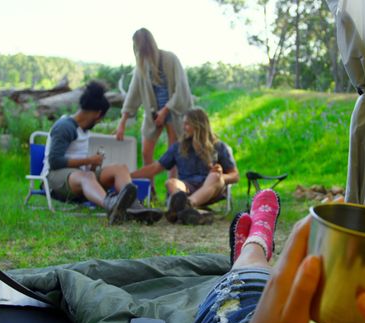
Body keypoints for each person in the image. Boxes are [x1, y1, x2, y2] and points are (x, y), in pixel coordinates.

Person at [188, 189, 365, 323]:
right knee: (269, 283)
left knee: (245, 283)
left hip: (243, 322)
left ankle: (254, 243)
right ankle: (255, 245)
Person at [42, 81, 163, 225]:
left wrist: (93, 164)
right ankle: (111, 206)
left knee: (120, 168)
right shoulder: (65, 127)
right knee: (87, 176)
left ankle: (134, 207)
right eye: (102, 119)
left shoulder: (84, 130)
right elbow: (55, 161)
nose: (100, 122)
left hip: (80, 178)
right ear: (98, 114)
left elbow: (81, 164)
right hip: (54, 180)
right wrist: (89, 161)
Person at [131, 108, 239, 225]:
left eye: (187, 124)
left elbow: (235, 175)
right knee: (171, 182)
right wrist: (129, 176)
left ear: (198, 125)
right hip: (188, 186)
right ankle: (189, 213)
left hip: (211, 188)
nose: (183, 127)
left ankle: (186, 205)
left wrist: (221, 176)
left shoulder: (219, 146)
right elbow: (156, 167)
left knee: (214, 176)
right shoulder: (179, 147)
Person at [115, 27, 193, 184]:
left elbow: (182, 88)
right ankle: (150, 190)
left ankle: (173, 191)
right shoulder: (141, 66)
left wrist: (165, 110)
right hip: (152, 113)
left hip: (175, 111)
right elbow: (133, 93)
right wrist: (122, 123)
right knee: (146, 152)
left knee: (174, 153)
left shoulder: (170, 59)